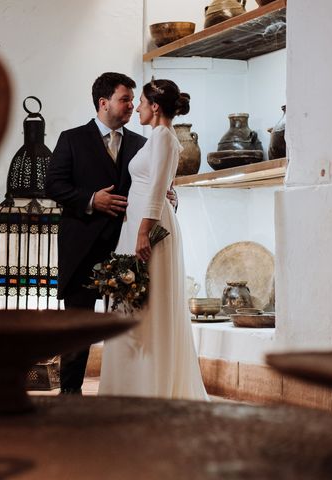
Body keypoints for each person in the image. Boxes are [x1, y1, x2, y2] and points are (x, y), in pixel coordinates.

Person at [45, 72, 175, 395]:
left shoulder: (142, 143)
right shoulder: (71, 139)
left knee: (128, 329)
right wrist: (92, 199)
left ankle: (128, 390)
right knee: (78, 329)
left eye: (134, 100)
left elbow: (155, 182)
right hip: (82, 250)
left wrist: (170, 195)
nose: (132, 105)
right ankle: (69, 397)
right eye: (125, 99)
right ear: (103, 103)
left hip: (128, 250)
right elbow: (53, 186)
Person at [98, 79, 209, 401]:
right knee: (130, 306)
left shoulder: (163, 137)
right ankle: (129, 386)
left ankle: (146, 388)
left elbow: (159, 188)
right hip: (139, 223)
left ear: (155, 107)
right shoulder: (158, 139)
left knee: (145, 307)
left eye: (142, 102)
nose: (138, 108)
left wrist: (144, 232)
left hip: (150, 228)